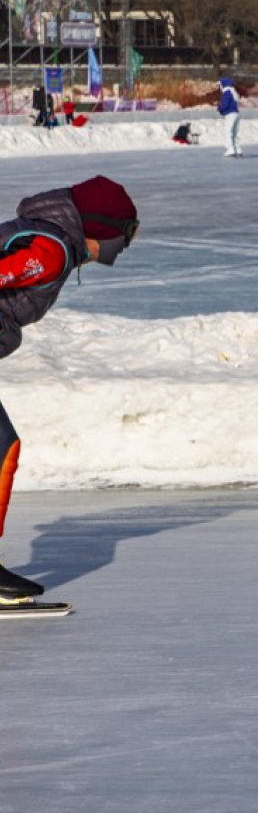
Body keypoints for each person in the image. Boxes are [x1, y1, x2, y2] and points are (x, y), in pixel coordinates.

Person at [0, 176, 139, 604]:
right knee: (1, 448)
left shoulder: (46, 239)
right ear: (98, 229)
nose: (124, 247)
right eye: (125, 235)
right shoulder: (50, 251)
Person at [217, 77, 242, 157]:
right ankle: (238, 149)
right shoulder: (233, 92)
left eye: (220, 85)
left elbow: (225, 105)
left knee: (228, 132)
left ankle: (230, 149)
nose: (220, 87)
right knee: (234, 133)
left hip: (230, 114)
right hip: (236, 114)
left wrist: (219, 107)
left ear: (224, 85)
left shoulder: (226, 93)